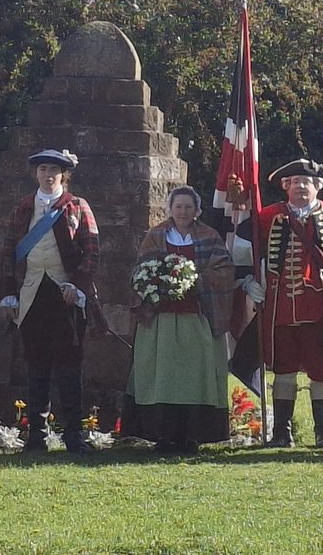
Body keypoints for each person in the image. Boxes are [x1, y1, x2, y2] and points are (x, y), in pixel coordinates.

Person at [241, 158, 323, 449]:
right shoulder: (268, 216)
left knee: (322, 369)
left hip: (320, 308)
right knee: (283, 369)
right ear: (286, 187)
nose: (300, 187)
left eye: (306, 182)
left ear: (318, 186)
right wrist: (248, 282)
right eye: (294, 182)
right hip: (279, 308)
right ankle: (282, 432)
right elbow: (245, 251)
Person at [0, 149, 100, 454]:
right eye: (43, 168)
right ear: (36, 173)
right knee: (36, 367)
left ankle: (73, 436)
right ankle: (36, 437)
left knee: (69, 368)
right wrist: (9, 292)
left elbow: (91, 251)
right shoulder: (23, 207)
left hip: (65, 293)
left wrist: (77, 286)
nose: (48, 174)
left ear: (63, 175)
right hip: (31, 293)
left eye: (54, 169)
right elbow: (8, 251)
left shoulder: (77, 206)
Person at [122, 186, 234, 453]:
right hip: (161, 322)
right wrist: (159, 282)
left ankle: (192, 435)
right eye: (178, 206)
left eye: (188, 207)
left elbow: (224, 270)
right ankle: (162, 434)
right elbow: (141, 270)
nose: (183, 211)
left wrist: (193, 279)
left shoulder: (209, 236)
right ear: (169, 208)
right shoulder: (156, 235)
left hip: (195, 319)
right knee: (162, 376)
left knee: (195, 377)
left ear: (197, 210)